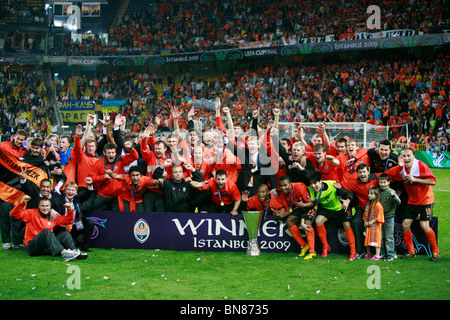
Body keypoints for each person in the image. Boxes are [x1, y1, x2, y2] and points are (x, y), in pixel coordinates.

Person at [385, 147, 440, 261]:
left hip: (425, 200)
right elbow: (388, 175)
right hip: (412, 201)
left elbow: (432, 181)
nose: (406, 158)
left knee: (424, 226)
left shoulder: (420, 165)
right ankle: (411, 251)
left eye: (408, 156)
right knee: (405, 224)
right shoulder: (401, 169)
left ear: (413, 156)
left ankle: (435, 251)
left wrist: (415, 179)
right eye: (404, 156)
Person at [10, 195, 86, 261]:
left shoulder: (53, 216)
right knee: (46, 232)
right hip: (32, 247)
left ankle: (75, 252)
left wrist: (69, 210)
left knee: (65, 234)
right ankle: (64, 253)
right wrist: (22, 202)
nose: (45, 208)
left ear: (50, 207)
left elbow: (68, 221)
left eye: (47, 206)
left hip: (46, 247)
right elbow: (14, 214)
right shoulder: (31, 213)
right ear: (39, 206)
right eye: (43, 206)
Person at [307, 172, 357, 261]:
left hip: (340, 209)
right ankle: (326, 246)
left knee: (347, 225)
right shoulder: (309, 190)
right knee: (318, 220)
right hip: (327, 210)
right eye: (311, 184)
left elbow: (348, 193)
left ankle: (353, 251)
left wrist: (347, 201)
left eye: (315, 183)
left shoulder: (332, 185)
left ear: (320, 182)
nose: (313, 186)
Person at [270, 175, 314, 259]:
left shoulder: (300, 187)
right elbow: (289, 210)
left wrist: (302, 204)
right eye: (281, 186)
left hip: (308, 206)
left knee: (307, 224)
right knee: (289, 221)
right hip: (299, 208)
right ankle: (304, 246)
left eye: (285, 185)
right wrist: (280, 214)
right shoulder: (283, 195)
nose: (283, 188)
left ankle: (312, 252)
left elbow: (311, 203)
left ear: (290, 183)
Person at [341, 163, 380, 258]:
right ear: (357, 173)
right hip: (362, 207)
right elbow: (343, 187)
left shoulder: (376, 178)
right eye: (360, 172)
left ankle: (381, 252)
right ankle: (360, 251)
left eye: (364, 172)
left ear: (368, 172)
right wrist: (339, 187)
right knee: (355, 222)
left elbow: (388, 178)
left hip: (376, 208)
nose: (362, 174)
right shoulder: (353, 182)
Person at [90, 142, 139, 210]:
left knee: (119, 216)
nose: (111, 155)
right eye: (109, 153)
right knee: (94, 212)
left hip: (117, 195)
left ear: (115, 153)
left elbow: (135, 156)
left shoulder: (121, 159)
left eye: (113, 152)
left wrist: (131, 148)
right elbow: (92, 178)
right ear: (105, 153)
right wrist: (103, 177)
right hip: (103, 194)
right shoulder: (98, 163)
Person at [52, 180, 95, 252]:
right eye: (68, 190)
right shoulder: (58, 199)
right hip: (62, 227)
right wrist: (51, 209)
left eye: (73, 190)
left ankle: (84, 245)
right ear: (64, 191)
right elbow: (51, 204)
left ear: (76, 193)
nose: (70, 192)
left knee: (90, 223)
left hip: (75, 224)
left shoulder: (77, 199)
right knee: (68, 245)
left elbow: (87, 194)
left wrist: (90, 185)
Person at [378, 173, 401, 261]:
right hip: (379, 218)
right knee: (380, 237)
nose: (383, 184)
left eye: (384, 182)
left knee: (389, 237)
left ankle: (391, 255)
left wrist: (394, 196)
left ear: (388, 182)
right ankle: (382, 253)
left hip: (389, 217)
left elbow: (398, 202)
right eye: (381, 182)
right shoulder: (378, 191)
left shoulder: (391, 192)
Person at [363, 187, 384, 261]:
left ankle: (377, 255)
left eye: (372, 194)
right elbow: (365, 213)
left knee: (376, 239)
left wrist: (372, 221)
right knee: (367, 238)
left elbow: (380, 216)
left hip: (375, 225)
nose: (369, 195)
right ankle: (368, 253)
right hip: (368, 225)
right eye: (369, 193)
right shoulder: (369, 204)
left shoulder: (378, 205)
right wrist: (365, 221)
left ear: (376, 195)